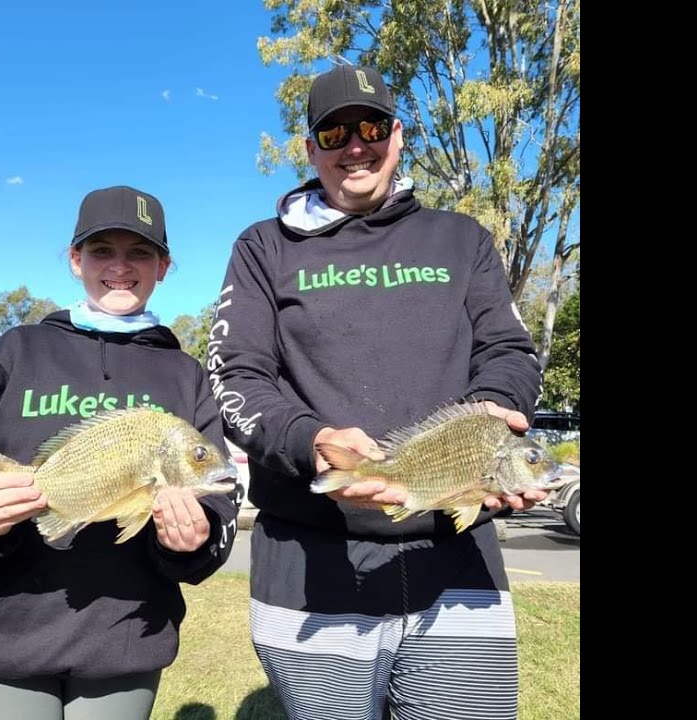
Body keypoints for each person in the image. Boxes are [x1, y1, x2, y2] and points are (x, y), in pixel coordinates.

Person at [208, 65, 547, 720]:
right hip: (310, 570)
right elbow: (235, 376)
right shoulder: (262, 249)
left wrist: (497, 415)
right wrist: (313, 440)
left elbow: (509, 351)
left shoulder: (462, 239)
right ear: (310, 149)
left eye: (369, 127)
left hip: (459, 563)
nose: (353, 146)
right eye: (334, 132)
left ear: (397, 136)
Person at [0, 185, 241, 720]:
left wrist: (194, 539)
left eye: (139, 252)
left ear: (163, 265)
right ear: (75, 260)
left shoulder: (187, 375)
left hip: (124, 641)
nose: (120, 267)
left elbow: (221, 493)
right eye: (101, 251)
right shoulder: (12, 352)